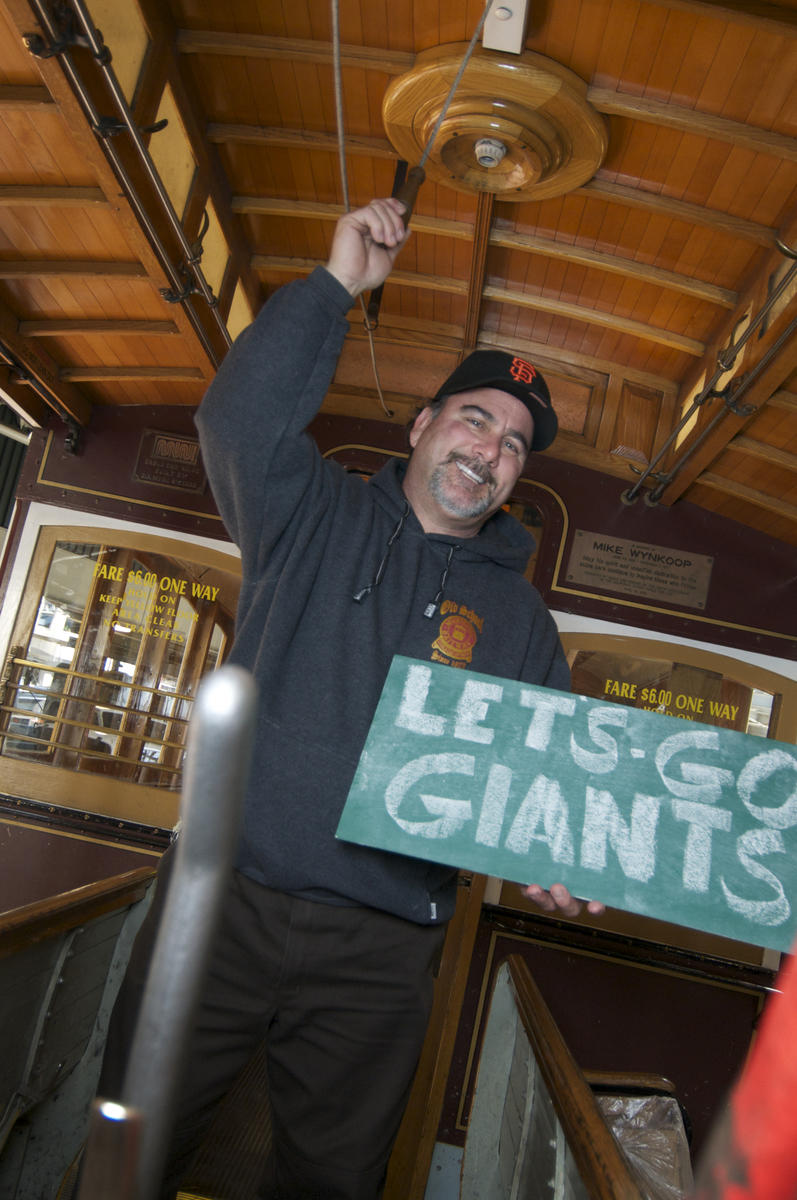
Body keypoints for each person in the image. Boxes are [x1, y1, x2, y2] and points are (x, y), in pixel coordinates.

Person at [99, 197, 603, 1199]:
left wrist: (553, 853)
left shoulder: (523, 627)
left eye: (511, 444)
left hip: (382, 950)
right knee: (132, 1152)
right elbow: (234, 418)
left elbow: (540, 787)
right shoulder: (307, 509)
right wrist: (336, 287)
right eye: (473, 417)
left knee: (333, 1181)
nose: (488, 448)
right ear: (421, 426)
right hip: (220, 904)